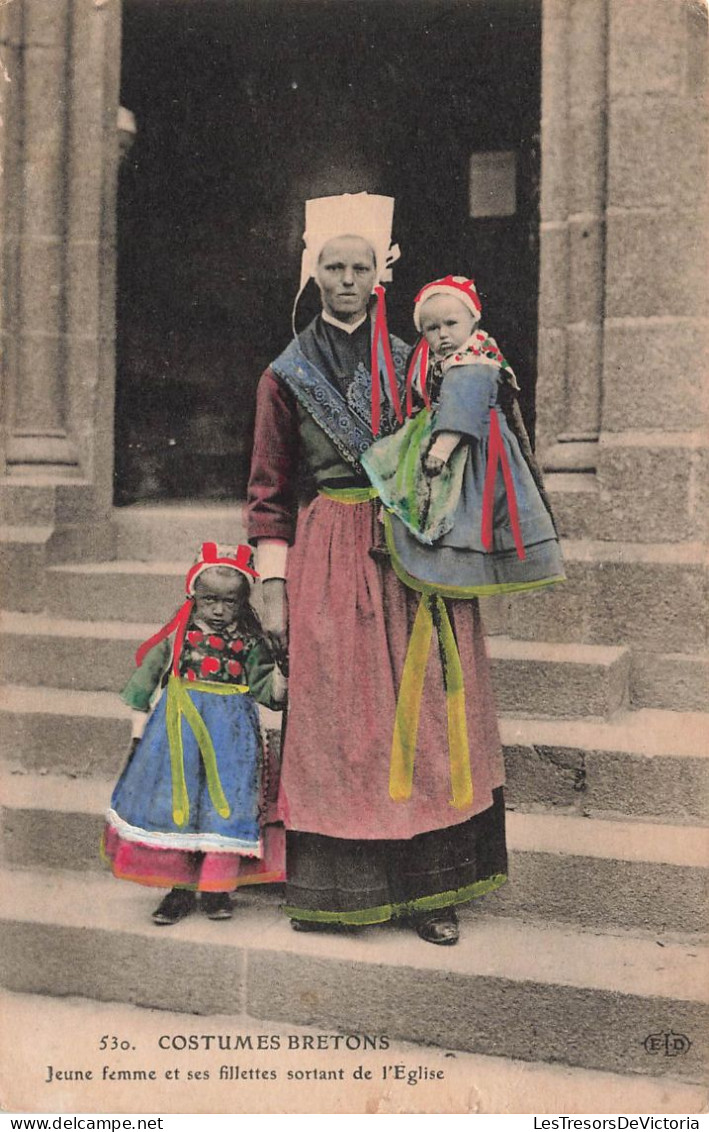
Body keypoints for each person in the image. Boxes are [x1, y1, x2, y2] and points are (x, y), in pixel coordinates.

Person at [247, 194, 507, 946]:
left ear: (380, 275)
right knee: (342, 720)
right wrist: (272, 580)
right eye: (334, 267)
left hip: (412, 548)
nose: (348, 280)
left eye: (361, 267)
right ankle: (343, 890)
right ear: (313, 272)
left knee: (425, 714)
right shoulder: (282, 375)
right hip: (329, 545)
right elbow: (268, 488)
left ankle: (434, 893)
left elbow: (470, 429)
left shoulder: (416, 356)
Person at [102, 542, 287, 925]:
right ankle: (179, 889)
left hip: (232, 739)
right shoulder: (180, 634)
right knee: (179, 806)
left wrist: (282, 677)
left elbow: (265, 688)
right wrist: (139, 711)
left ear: (244, 601)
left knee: (225, 805)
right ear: (193, 595)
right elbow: (151, 670)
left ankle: (218, 890)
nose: (219, 611)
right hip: (177, 733)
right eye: (209, 601)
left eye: (230, 602)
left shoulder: (249, 642)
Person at [361, 275, 565, 596]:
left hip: (472, 444)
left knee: (462, 505)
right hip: (447, 432)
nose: (443, 334)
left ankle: (452, 561)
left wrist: (440, 451)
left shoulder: (472, 362)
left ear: (473, 319)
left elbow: (462, 407)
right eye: (432, 328)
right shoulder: (446, 358)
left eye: (451, 323)